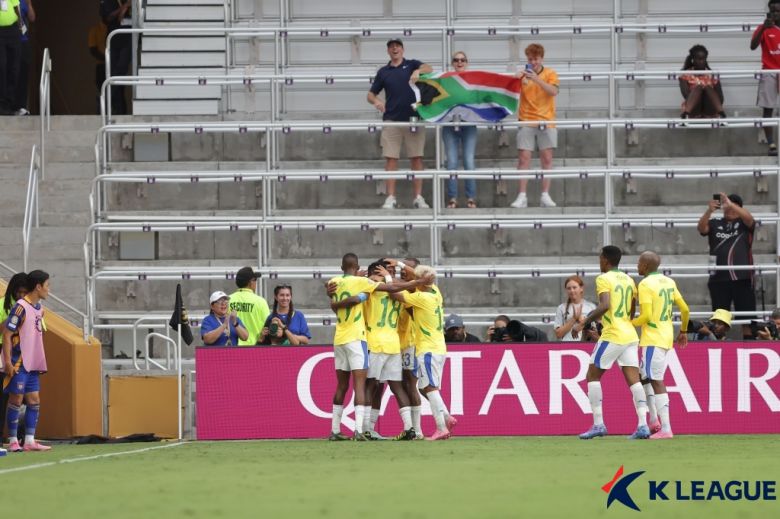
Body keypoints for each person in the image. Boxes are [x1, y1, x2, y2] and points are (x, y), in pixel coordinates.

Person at [326, 253, 431, 441]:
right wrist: (416, 281)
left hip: (373, 342)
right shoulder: (398, 294)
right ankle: (409, 427)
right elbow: (396, 289)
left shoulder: (369, 290)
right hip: (393, 345)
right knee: (397, 386)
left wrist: (340, 292)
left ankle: (365, 428)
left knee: (369, 385)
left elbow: (348, 297)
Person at [572, 246, 650, 440]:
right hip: (630, 334)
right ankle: (643, 425)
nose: (599, 262)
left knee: (592, 375)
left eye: (600, 258)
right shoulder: (629, 280)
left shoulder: (603, 279)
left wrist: (583, 322)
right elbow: (632, 311)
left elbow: (605, 305)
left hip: (613, 334)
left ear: (605, 260)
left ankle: (598, 424)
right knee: (634, 380)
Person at [389, 264, 457, 440]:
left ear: (419, 280)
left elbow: (394, 293)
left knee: (429, 388)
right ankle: (447, 417)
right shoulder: (435, 292)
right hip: (439, 347)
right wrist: (400, 264)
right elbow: (420, 277)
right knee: (422, 387)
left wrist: (388, 278)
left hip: (427, 349)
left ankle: (441, 428)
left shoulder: (421, 297)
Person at [367, 38, 433, 210]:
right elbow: (370, 95)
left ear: (403, 50)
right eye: (391, 47)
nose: (394, 49)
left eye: (397, 46)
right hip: (392, 119)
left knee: (416, 158)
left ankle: (418, 197)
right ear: (388, 51)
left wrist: (418, 71)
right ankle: (391, 197)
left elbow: (429, 68)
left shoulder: (412, 64)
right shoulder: (383, 71)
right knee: (391, 159)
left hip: (414, 119)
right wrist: (376, 102)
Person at [631, 251, 690, 440]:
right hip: (665, 336)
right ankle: (654, 421)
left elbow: (646, 316)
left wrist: (628, 323)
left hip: (653, 338)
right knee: (644, 376)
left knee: (655, 380)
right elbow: (685, 309)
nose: (637, 265)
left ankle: (666, 428)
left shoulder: (646, 284)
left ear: (646, 266)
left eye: (639, 262)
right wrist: (683, 331)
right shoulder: (669, 282)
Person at [2, 270, 51, 451]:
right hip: (19, 362)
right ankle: (13, 440)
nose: (49, 290)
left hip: (33, 363)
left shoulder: (39, 309)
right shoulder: (20, 307)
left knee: (34, 399)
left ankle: (29, 440)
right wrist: (7, 362)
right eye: (47, 286)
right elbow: (7, 335)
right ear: (38, 287)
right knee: (16, 399)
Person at [698, 193, 755, 339]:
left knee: (747, 319)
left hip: (742, 278)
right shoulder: (715, 223)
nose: (729, 208)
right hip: (719, 278)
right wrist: (709, 211)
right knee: (719, 320)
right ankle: (719, 347)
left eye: (733, 206)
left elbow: (750, 219)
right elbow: (702, 229)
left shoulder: (744, 224)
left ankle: (749, 346)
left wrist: (731, 204)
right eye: (726, 206)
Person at [510, 43, 559, 209]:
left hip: (546, 120)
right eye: (530, 59)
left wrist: (536, 79)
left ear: (541, 58)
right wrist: (515, 79)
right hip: (526, 120)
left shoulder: (550, 73)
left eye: (536, 59)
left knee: (547, 158)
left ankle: (545, 194)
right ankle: (522, 195)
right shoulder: (523, 75)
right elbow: (510, 91)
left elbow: (553, 91)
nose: (533, 62)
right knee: (524, 159)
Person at [443, 51, 478, 209]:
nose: (459, 62)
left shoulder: (473, 81)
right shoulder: (445, 80)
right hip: (450, 124)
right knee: (451, 162)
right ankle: (452, 199)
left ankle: (471, 198)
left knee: (469, 161)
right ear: (452, 63)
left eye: (462, 60)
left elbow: (480, 99)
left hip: (469, 124)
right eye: (456, 60)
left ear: (467, 62)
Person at [750, 0, 780, 156]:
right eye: (772, 11)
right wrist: (763, 29)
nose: (775, 14)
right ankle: (771, 143)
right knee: (768, 109)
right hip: (769, 72)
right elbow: (753, 46)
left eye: (778, 11)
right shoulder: (764, 28)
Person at [100, 0, 132, 115]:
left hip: (129, 38)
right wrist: (124, 6)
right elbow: (107, 18)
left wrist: (126, 8)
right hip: (114, 40)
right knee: (114, 75)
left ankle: (107, 98)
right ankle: (117, 110)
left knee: (121, 70)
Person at [679, 44, 725, 122]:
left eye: (704, 59)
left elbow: (721, 98)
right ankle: (685, 116)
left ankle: (722, 116)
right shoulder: (685, 75)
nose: (702, 61)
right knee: (699, 87)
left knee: (707, 88)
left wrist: (706, 96)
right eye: (699, 59)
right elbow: (686, 96)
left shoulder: (712, 74)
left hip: (709, 108)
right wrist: (699, 94)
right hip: (694, 108)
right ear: (693, 59)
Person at [228, 266, 270, 346]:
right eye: (255, 280)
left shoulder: (228, 300)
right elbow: (267, 326)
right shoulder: (261, 302)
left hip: (233, 348)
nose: (256, 283)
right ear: (251, 282)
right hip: (254, 348)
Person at [554, 275, 597, 341]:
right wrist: (573, 319)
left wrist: (581, 321)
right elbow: (558, 334)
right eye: (569, 288)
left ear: (581, 288)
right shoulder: (561, 308)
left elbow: (595, 332)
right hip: (567, 347)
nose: (572, 290)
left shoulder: (591, 307)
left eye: (574, 287)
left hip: (586, 347)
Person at [0, 0, 22, 115]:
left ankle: (10, 103)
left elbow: (16, 7)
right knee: (2, 66)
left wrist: (21, 27)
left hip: (12, 30)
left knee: (14, 67)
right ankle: (2, 103)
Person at [13, 0, 33, 115]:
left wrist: (29, 4)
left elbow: (32, 17)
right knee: (11, 71)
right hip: (10, 39)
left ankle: (21, 105)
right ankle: (10, 105)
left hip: (23, 40)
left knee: (23, 71)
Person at [88, 19, 108, 112]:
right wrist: (106, 59)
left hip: (114, 66)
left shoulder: (114, 28)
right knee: (101, 91)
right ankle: (100, 112)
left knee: (117, 91)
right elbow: (93, 50)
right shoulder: (95, 30)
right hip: (101, 66)